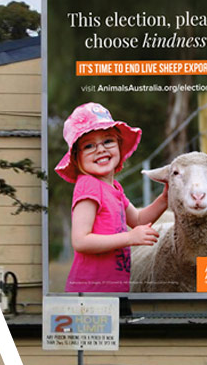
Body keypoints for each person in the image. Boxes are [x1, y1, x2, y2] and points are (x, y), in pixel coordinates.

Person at [54, 102, 168, 292]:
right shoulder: (88, 185)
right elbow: (81, 241)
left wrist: (164, 199)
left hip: (113, 289)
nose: (100, 149)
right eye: (89, 145)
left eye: (107, 141)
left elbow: (139, 219)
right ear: (76, 157)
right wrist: (129, 238)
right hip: (90, 292)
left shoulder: (114, 187)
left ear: (119, 146)